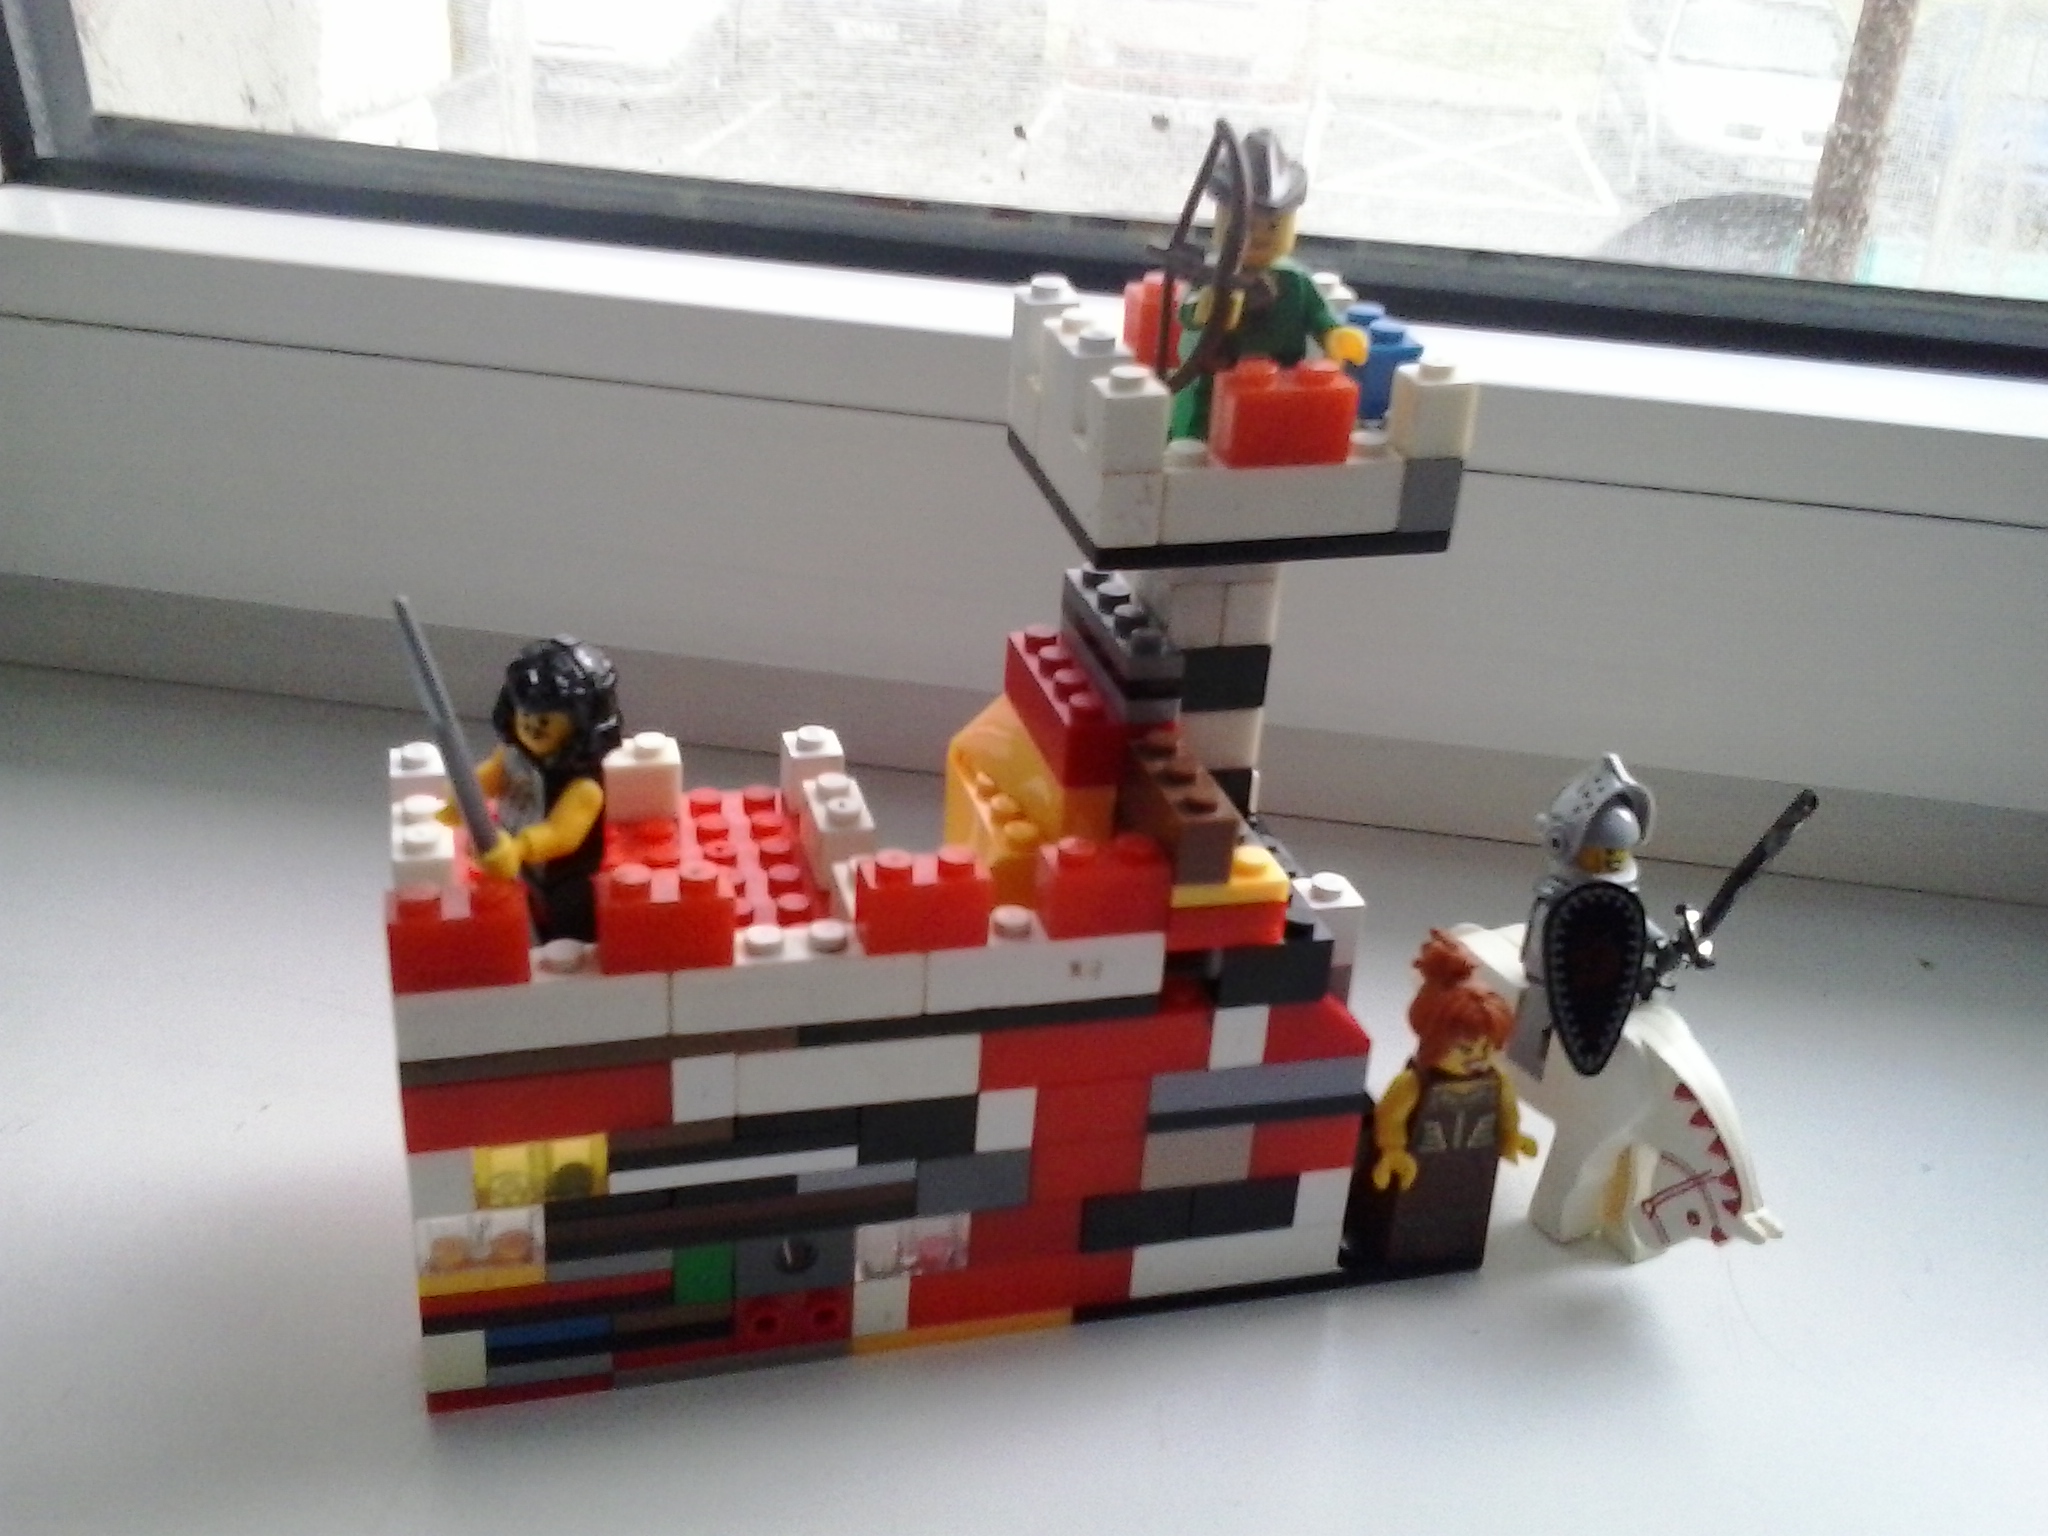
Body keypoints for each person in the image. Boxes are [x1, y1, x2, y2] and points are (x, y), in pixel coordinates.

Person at [1343, 930, 1538, 1274]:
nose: (1478, 1058)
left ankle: (1453, 1253)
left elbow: (1506, 1110)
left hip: (1470, 1170)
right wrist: (1392, 1151)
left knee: (1461, 1215)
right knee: (1401, 1218)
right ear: (1434, 1040)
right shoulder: (1415, 1083)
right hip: (1415, 1171)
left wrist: (1511, 1136)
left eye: (1489, 1048)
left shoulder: (1495, 1082)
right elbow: (1390, 1117)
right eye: (1465, 1049)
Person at [1171, 127, 1369, 441]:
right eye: (1249, 225)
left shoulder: (1294, 280)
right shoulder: (1214, 276)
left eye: (1273, 226)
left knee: (1278, 432)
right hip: (1215, 379)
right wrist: (1208, 307)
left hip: (1283, 382)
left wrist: (1336, 335)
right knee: (1203, 425)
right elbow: (1188, 312)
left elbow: (1319, 315)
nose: (1260, 236)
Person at [469, 636, 622, 945]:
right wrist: (463, 797)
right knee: (524, 911)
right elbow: (491, 776)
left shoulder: (583, 785)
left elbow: (561, 834)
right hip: (518, 859)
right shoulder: (514, 754)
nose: (530, 726)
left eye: (544, 720)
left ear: (582, 726)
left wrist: (518, 848)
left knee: (567, 921)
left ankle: (570, 947)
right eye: (524, 714)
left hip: (564, 874)